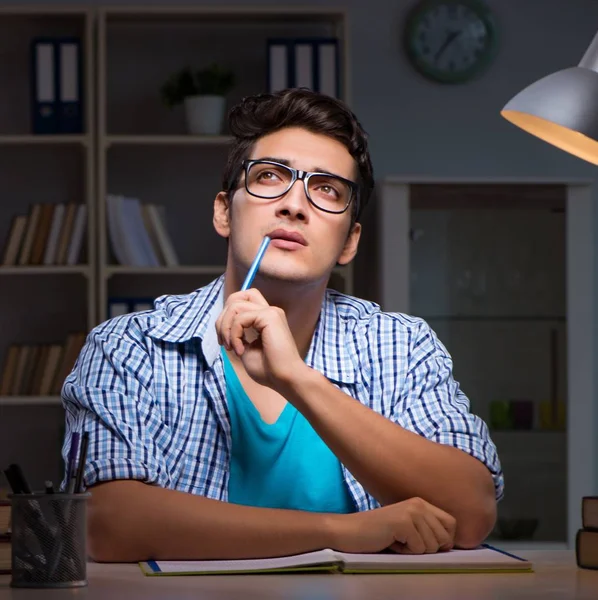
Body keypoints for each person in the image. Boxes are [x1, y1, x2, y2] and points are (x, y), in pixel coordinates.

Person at [61, 88, 503, 563]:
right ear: (224, 212)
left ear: (350, 241)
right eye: (270, 177)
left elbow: (471, 513)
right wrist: (341, 531)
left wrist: (297, 378)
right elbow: (107, 524)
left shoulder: (402, 344)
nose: (295, 205)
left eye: (327, 189)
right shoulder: (130, 345)